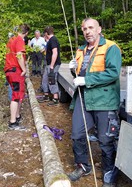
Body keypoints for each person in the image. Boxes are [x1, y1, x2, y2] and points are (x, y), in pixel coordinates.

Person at [67, 18, 122, 187]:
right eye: (84, 29)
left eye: (91, 28)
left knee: (106, 139)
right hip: (83, 99)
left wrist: (86, 80)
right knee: (77, 135)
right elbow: (79, 74)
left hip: (104, 100)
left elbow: (113, 73)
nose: (87, 31)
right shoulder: (81, 49)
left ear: (99, 29)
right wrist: (72, 69)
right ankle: (83, 166)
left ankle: (108, 172)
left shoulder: (111, 47)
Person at [4, 24, 30, 130]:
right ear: (26, 33)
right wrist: (24, 69)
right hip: (15, 71)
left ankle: (17, 116)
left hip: (9, 70)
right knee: (16, 96)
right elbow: (19, 55)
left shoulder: (11, 40)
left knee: (18, 93)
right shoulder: (19, 40)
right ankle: (13, 122)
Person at [38, 26, 61, 106]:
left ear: (46, 33)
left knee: (52, 79)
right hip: (48, 64)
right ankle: (46, 95)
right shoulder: (50, 40)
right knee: (45, 80)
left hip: (53, 64)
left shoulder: (53, 40)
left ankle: (55, 99)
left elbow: (55, 53)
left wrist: (52, 65)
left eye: (45, 34)